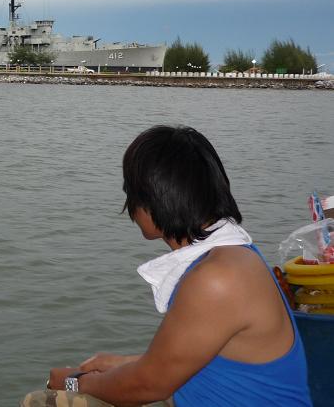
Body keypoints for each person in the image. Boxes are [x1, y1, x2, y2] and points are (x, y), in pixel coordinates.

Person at [26, 125, 312, 407]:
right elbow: (196, 358)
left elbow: (149, 385)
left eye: (130, 191)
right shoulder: (231, 256)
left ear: (154, 199)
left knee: (43, 402)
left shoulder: (218, 279)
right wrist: (118, 364)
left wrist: (74, 380)